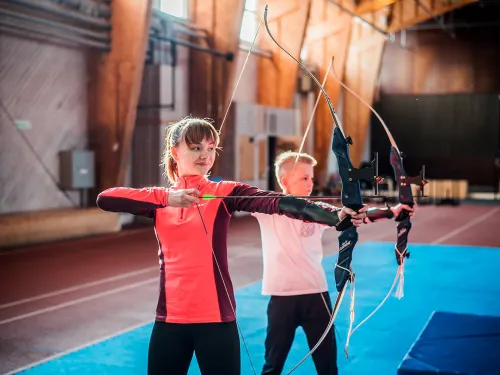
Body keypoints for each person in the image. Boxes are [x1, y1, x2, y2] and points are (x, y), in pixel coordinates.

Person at [95, 117, 368, 375]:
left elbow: (275, 201)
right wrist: (168, 197)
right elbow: (105, 198)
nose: (205, 155)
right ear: (175, 151)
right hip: (169, 322)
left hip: (217, 322)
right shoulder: (159, 201)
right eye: (195, 147)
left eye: (211, 148)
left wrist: (335, 216)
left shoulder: (223, 191)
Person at [252, 151, 416, 375]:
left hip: (316, 295)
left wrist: (392, 212)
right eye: (304, 178)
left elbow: (352, 216)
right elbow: (242, 199)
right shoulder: (267, 210)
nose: (311, 183)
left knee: (327, 364)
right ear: (284, 181)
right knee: (273, 365)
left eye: (311, 178)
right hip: (281, 299)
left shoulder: (318, 210)